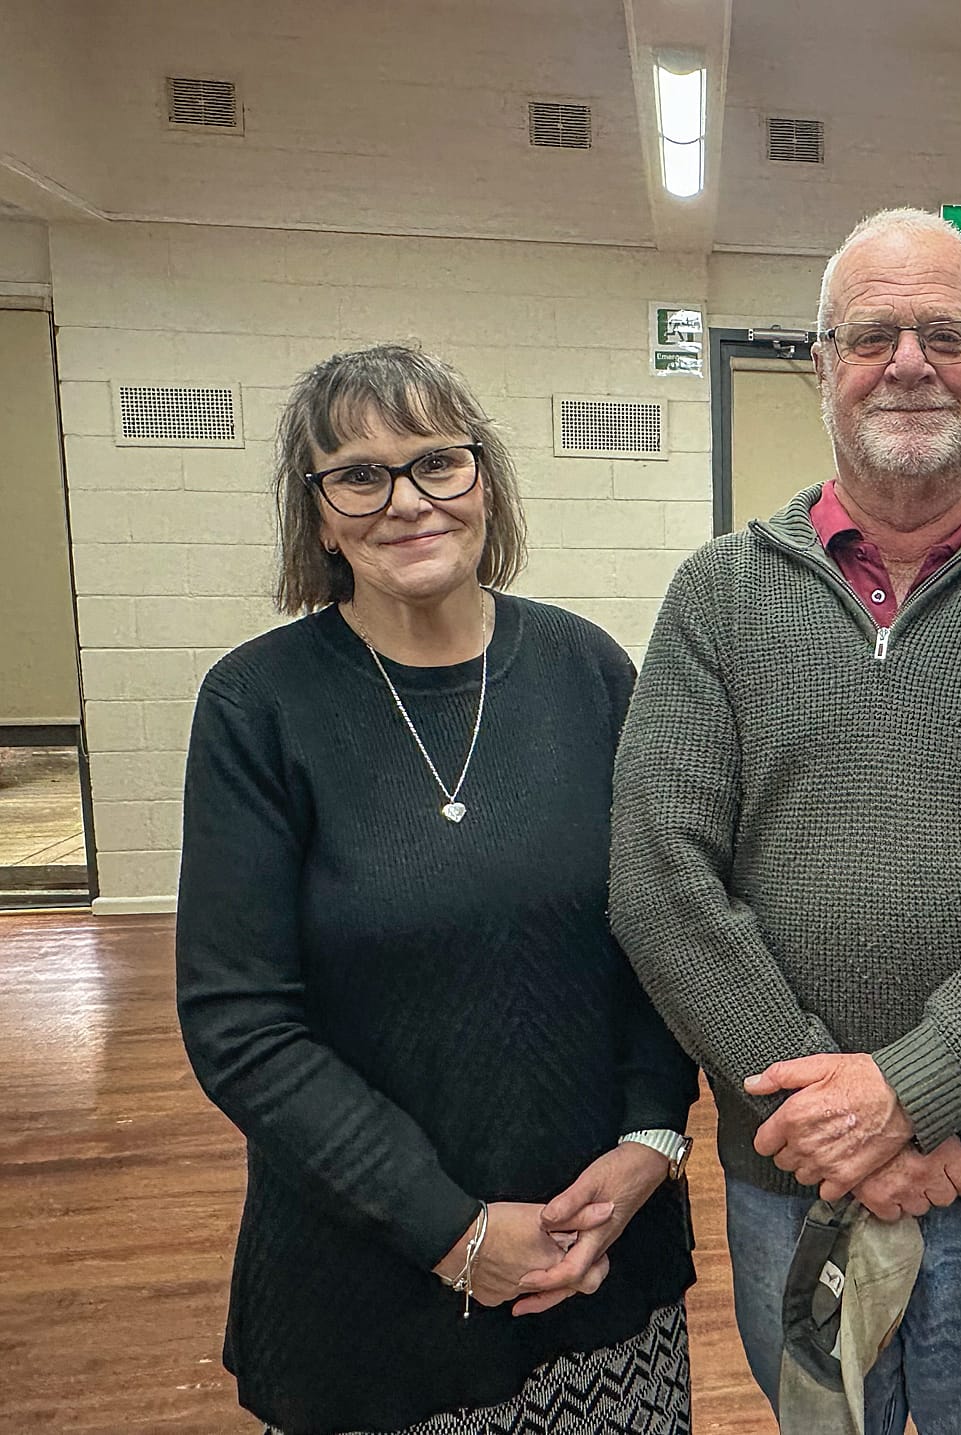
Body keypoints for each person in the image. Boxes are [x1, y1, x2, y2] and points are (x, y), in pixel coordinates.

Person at [609, 207, 961, 1434]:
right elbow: (661, 880)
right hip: (793, 1179)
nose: (909, 362)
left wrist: (908, 1092)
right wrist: (840, 1124)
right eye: (871, 335)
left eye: (946, 334)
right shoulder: (719, 595)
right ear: (821, 364)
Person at [176, 344, 698, 1435]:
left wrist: (652, 1136)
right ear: (319, 519)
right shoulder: (257, 706)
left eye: (437, 463)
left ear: (483, 482)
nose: (407, 501)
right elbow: (240, 1023)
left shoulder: (588, 670)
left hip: (601, 1255)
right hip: (372, 1287)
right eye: (359, 476)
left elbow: (660, 926)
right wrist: (453, 1231)